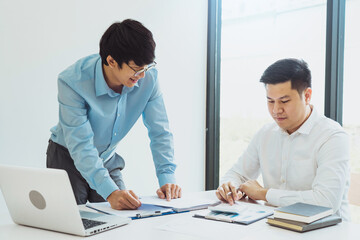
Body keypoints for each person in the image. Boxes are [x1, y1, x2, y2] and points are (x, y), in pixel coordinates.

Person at [46, 19, 181, 210]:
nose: (142, 76)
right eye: (137, 69)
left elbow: (160, 132)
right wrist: (110, 192)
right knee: (72, 224)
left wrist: (167, 178)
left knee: (123, 217)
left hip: (107, 158)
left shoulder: (148, 78)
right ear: (111, 61)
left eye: (146, 67)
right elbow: (81, 146)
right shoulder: (72, 82)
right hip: (67, 157)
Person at [216, 58, 350, 220]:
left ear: (307, 96)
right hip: (275, 227)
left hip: (326, 231)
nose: (276, 110)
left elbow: (325, 201)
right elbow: (237, 174)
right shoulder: (266, 133)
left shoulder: (332, 136)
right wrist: (228, 186)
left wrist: (264, 194)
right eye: (270, 101)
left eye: (284, 101)